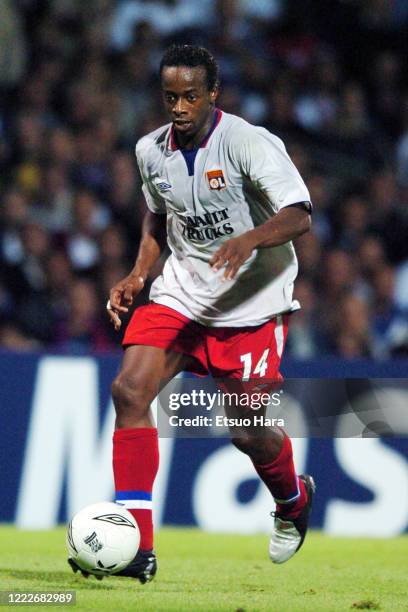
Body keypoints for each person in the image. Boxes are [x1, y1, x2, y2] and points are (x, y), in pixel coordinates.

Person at [69, 44, 315, 583]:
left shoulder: (248, 142)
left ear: (213, 94)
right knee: (129, 392)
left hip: (250, 303)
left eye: (190, 96)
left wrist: (250, 238)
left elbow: (299, 213)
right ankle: (137, 546)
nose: (178, 107)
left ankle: (293, 500)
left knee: (248, 431)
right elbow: (157, 218)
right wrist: (138, 275)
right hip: (182, 295)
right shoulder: (149, 150)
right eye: (170, 96)